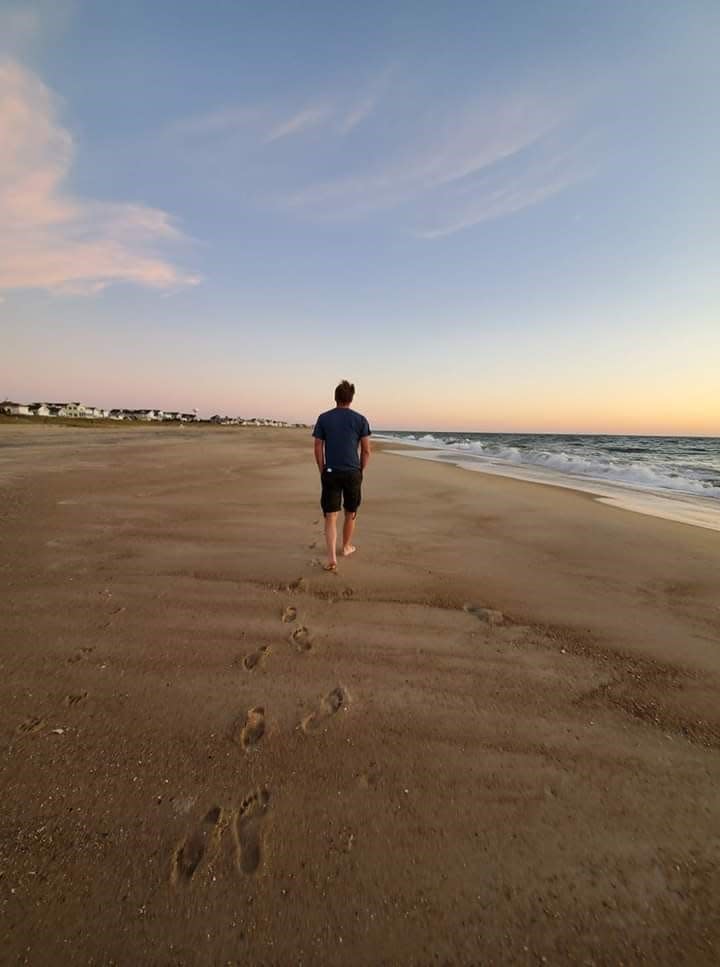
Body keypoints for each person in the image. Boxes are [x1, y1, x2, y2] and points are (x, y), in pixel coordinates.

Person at [312, 380, 371, 571]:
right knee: (350, 513)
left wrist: (322, 469)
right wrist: (361, 470)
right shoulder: (360, 419)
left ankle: (331, 558)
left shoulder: (324, 418)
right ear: (351, 398)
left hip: (331, 471)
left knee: (331, 516)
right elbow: (366, 450)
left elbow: (318, 446)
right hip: (353, 472)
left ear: (335, 397)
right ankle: (345, 547)